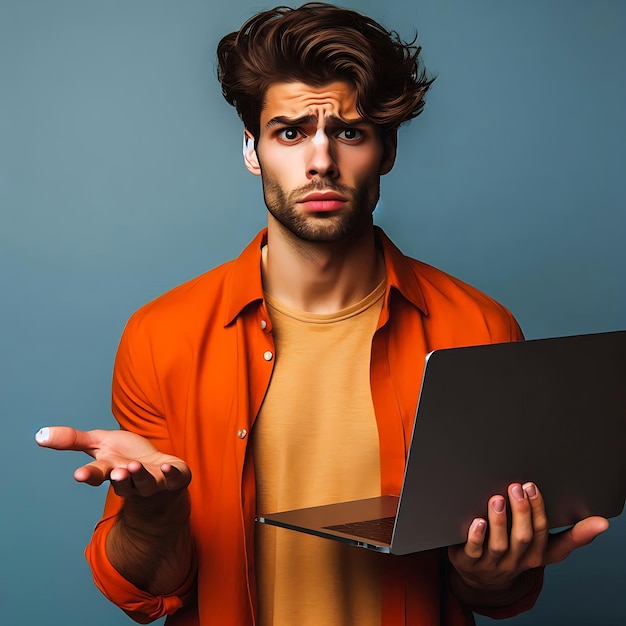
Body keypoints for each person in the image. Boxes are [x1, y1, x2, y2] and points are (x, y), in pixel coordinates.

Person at [35, 3, 609, 625]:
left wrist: (488, 571)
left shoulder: (479, 330)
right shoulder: (160, 336)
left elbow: (485, 587)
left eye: (350, 132)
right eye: (290, 133)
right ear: (252, 150)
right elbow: (152, 587)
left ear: (387, 150)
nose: (320, 162)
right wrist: (151, 516)